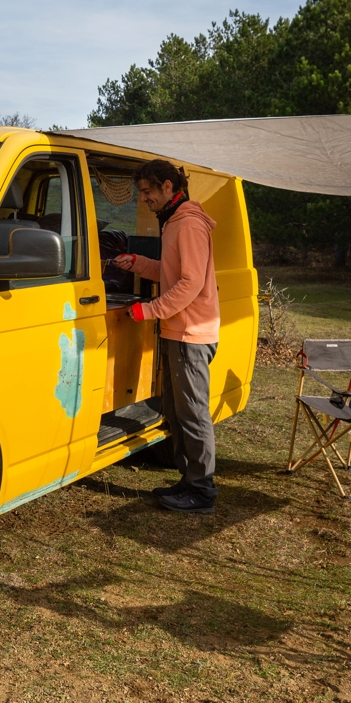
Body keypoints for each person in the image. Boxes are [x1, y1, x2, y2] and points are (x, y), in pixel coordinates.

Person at [111, 159, 220, 514]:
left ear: (168, 187)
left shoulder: (187, 224)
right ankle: (188, 481)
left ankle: (202, 492)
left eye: (148, 191)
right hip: (180, 330)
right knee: (175, 410)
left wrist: (150, 309)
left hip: (191, 334)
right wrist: (139, 263)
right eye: (141, 192)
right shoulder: (175, 222)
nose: (143, 199)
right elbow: (173, 272)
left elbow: (190, 284)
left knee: (192, 414)